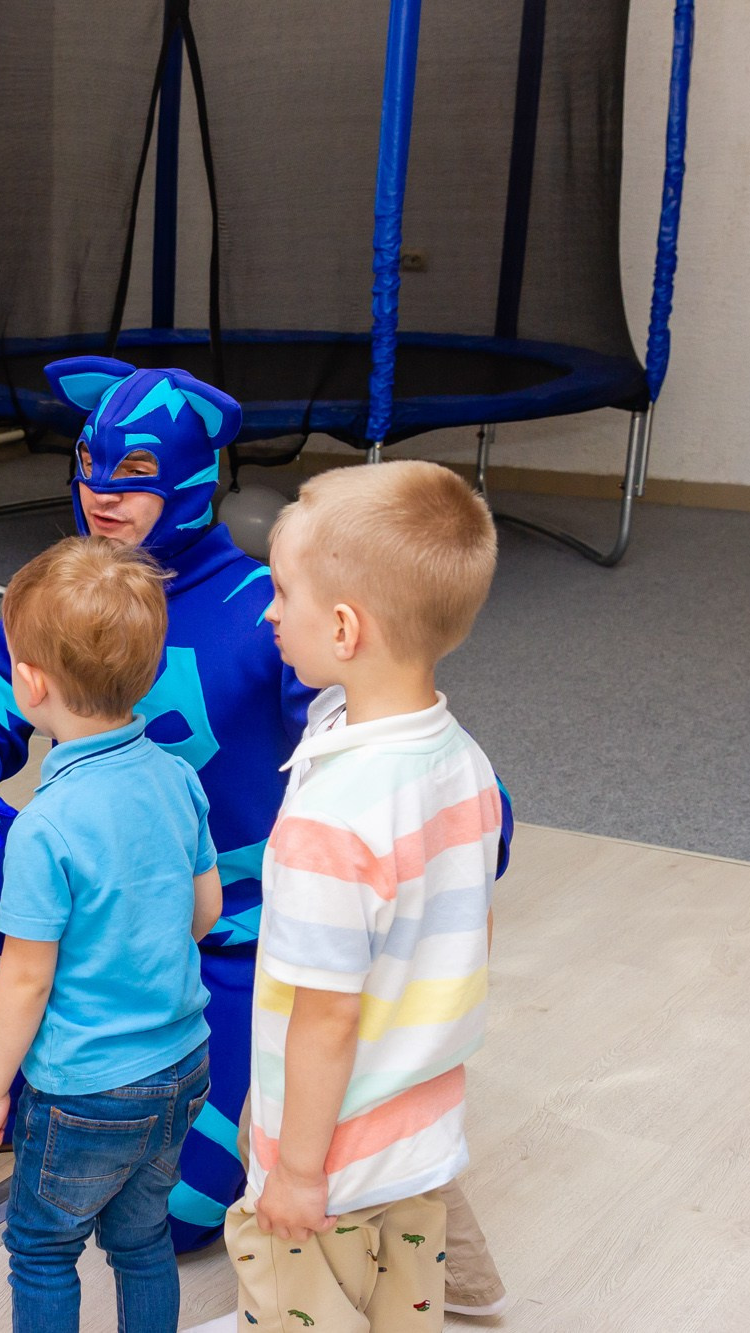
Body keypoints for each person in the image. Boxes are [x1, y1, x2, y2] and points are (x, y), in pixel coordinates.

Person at [0, 358, 308, 1263]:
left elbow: (366, 733)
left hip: (225, 933)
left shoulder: (269, 611)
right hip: (86, 899)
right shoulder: (63, 593)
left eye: (134, 471)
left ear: (194, 474)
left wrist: (449, 797)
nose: (101, 490)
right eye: (90, 463)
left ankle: (99, 1085)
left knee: (174, 1216)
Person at [223, 461, 501, 1331]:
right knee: (404, 1307)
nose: (268, 613)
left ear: (344, 628)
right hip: (422, 1131)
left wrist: (297, 1172)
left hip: (328, 1150)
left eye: (282, 592)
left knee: (295, 1299)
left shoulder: (334, 819)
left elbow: (327, 1015)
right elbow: (467, 929)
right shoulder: (464, 761)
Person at [0, 538, 222, 1333]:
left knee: (44, 1250)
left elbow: (25, 978)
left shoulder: (45, 826)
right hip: (183, 1064)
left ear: (30, 683)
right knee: (142, 1239)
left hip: (86, 1087)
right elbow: (205, 911)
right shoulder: (178, 777)